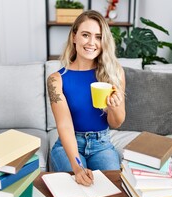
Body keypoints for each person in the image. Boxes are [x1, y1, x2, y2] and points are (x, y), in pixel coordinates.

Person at [47, 10, 125, 186]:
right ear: (74, 37)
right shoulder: (55, 79)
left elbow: (116, 123)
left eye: (98, 37)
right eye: (85, 35)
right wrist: (77, 167)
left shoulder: (115, 73)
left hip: (102, 145)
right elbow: (64, 125)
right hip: (68, 145)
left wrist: (114, 107)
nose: (92, 43)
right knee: (76, 188)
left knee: (111, 191)